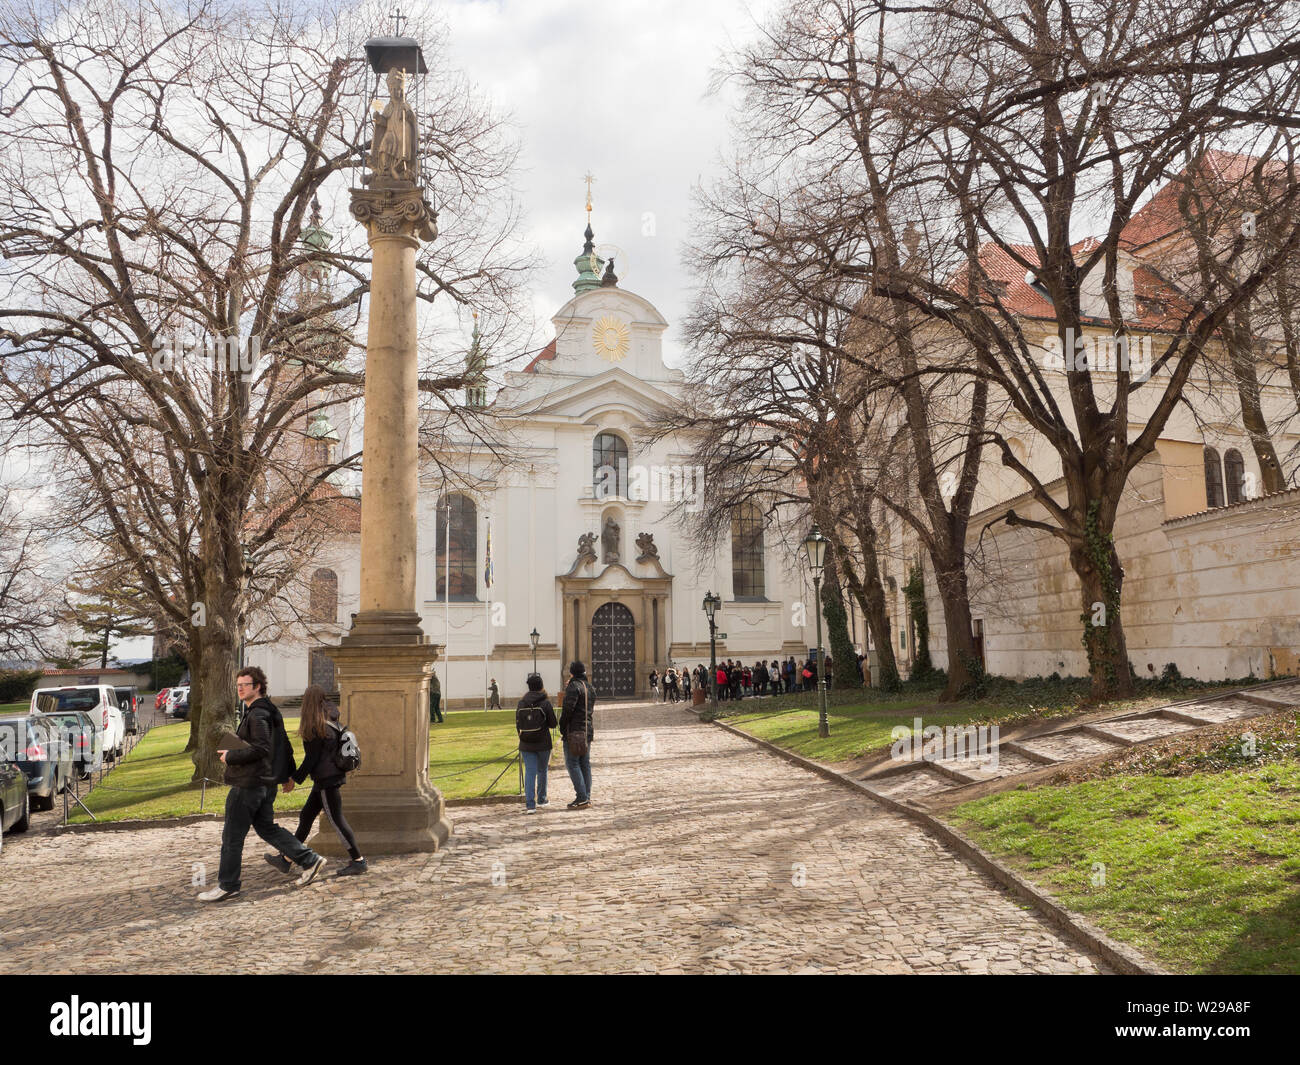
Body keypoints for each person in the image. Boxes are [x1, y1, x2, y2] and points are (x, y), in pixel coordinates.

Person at [198, 666, 325, 902]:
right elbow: (283, 744)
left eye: (245, 685)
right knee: (266, 827)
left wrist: (230, 756)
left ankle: (228, 884)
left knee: (232, 836)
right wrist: (288, 774)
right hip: (265, 783)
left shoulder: (257, 714)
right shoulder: (269, 711)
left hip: (250, 784)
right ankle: (309, 859)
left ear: (257, 687)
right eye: (238, 685)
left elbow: (262, 748)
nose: (240, 689)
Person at [269, 684, 366, 877]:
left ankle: (358, 861)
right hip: (327, 779)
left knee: (337, 821)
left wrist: (293, 779)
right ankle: (287, 859)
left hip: (327, 780)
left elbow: (311, 760)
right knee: (306, 817)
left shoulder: (316, 724)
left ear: (307, 701)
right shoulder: (330, 718)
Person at [516, 673, 557, 814]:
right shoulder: (545, 702)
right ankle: (541, 798)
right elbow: (553, 724)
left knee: (530, 772)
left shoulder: (521, 703)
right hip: (543, 743)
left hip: (526, 743)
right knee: (542, 770)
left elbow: (517, 723)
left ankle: (530, 805)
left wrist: (523, 735)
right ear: (541, 686)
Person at [559, 660, 595, 809]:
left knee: (572, 763)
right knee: (584, 763)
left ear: (572, 673)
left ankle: (581, 797)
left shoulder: (573, 687)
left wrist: (562, 726)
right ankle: (586, 796)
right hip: (587, 730)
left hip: (575, 731)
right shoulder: (589, 687)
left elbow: (568, 709)